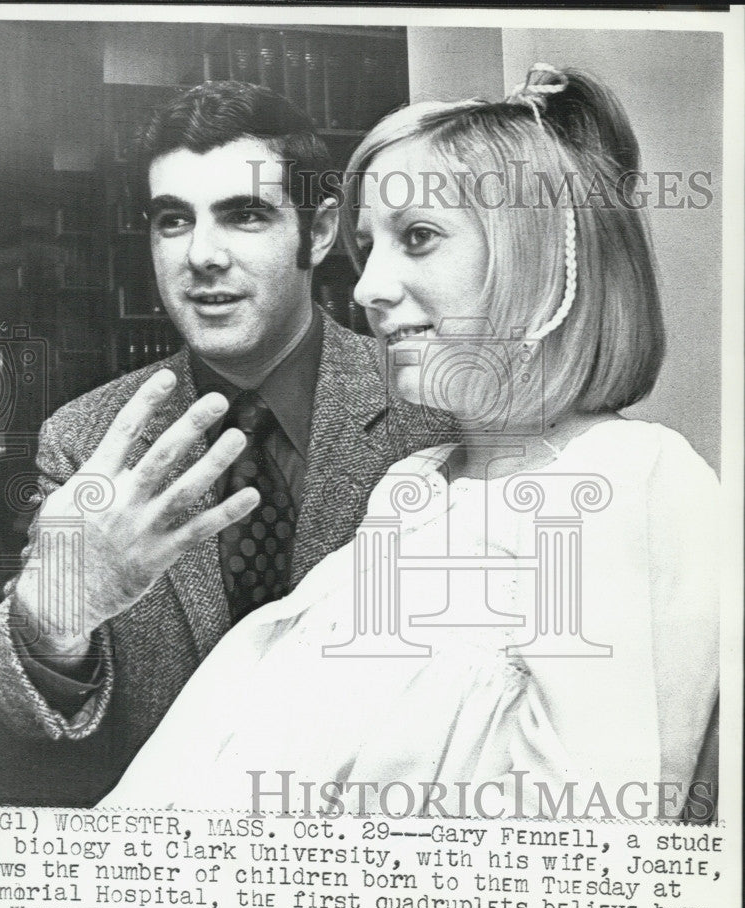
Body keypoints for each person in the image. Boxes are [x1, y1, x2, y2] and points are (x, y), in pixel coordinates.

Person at [102, 66, 719, 821]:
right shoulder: (414, 486)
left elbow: (598, 846)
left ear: (538, 259)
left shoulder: (631, 478)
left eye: (417, 238)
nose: (365, 289)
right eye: (368, 247)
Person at [0, 81, 451, 806]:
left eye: (246, 215)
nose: (201, 255)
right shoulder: (84, 441)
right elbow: (26, 736)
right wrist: (52, 625)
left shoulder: (430, 411)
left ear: (319, 233)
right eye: (173, 221)